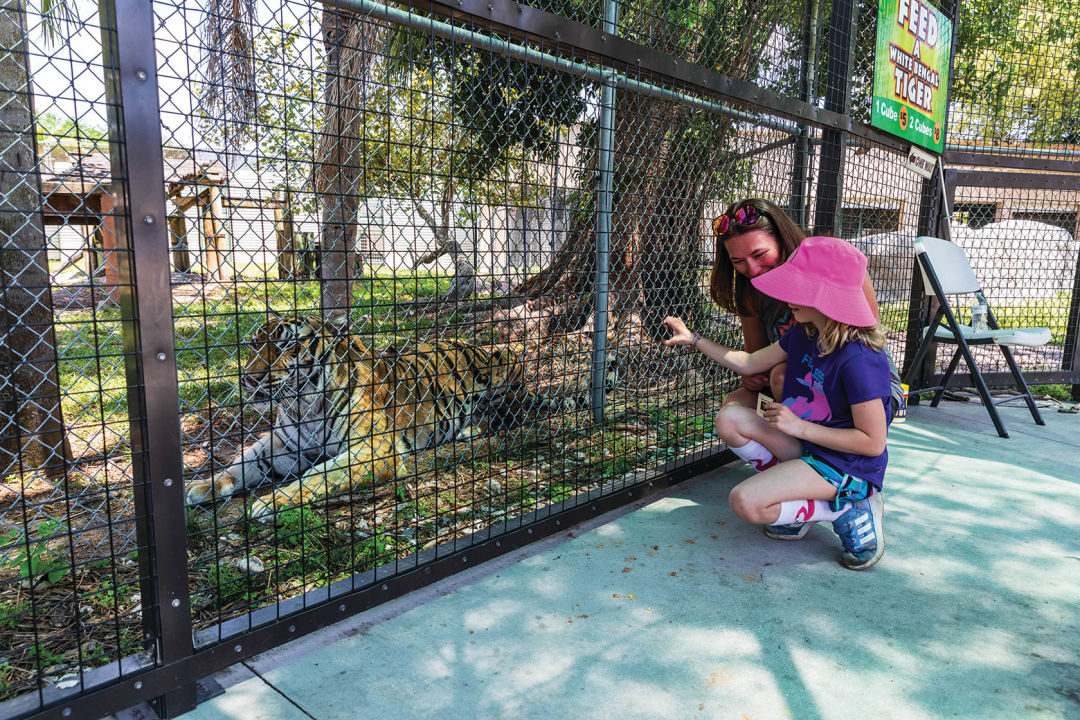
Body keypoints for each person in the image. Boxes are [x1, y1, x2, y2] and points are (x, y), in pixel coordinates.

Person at [664, 236, 891, 570]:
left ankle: (848, 506)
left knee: (746, 503)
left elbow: (872, 443)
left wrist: (799, 427)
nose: (786, 298)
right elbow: (749, 362)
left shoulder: (860, 358)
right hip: (810, 447)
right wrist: (694, 340)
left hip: (846, 466)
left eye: (797, 289)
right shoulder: (805, 332)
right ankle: (801, 498)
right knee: (730, 419)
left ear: (825, 295)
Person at [709, 198, 901, 412]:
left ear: (782, 239)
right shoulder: (750, 291)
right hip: (796, 384)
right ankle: (789, 439)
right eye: (738, 261)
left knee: (781, 376)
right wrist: (751, 377)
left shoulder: (833, 260)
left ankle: (806, 442)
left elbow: (867, 342)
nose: (752, 269)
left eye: (759, 254)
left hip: (863, 386)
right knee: (733, 407)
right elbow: (756, 360)